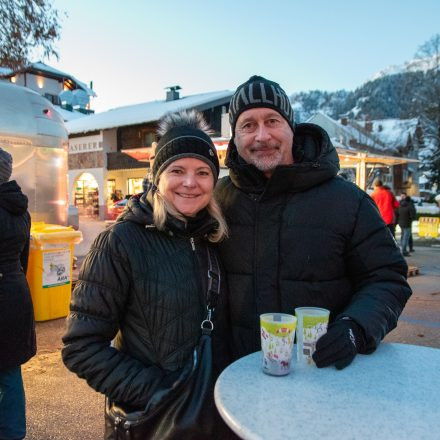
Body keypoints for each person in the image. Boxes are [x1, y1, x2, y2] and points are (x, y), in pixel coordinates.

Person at [215, 75, 412, 370]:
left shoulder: (348, 202)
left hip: (321, 376)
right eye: (248, 125)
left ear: (290, 127)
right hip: (235, 375)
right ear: (235, 137)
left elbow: (387, 278)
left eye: (272, 121)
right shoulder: (217, 201)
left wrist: (355, 327)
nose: (262, 136)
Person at [62, 110, 232, 439]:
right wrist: (157, 391)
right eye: (177, 170)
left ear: (214, 181)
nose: (190, 182)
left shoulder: (214, 239)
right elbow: (80, 346)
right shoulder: (121, 241)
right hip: (153, 421)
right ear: (157, 176)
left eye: (202, 172)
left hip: (208, 418)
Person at [0, 147, 36, 440]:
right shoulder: (20, 209)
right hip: (14, 291)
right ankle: (13, 431)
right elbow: (23, 259)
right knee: (10, 369)